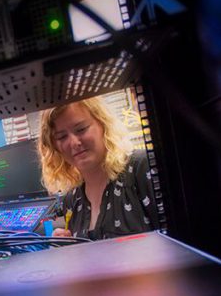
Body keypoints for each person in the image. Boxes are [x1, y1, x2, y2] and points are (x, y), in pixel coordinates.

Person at [37, 97, 159, 240]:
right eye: (62, 137)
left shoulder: (143, 168)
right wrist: (72, 250)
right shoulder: (71, 199)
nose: (74, 143)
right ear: (55, 146)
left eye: (81, 129)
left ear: (103, 124)